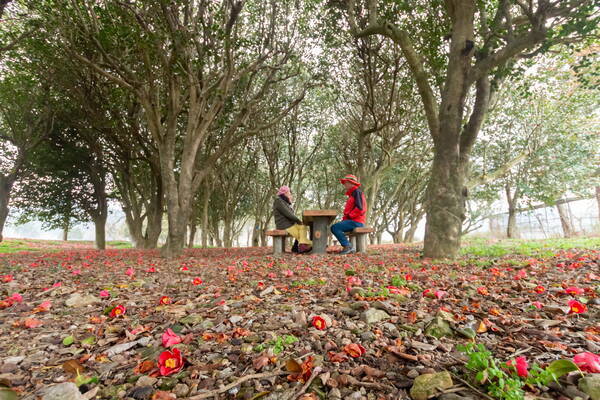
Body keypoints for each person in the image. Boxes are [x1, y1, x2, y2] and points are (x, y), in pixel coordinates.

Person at [331, 174, 367, 254]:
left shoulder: (357, 192)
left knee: (334, 227)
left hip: (357, 222)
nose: (344, 185)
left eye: (346, 183)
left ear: (351, 183)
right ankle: (348, 246)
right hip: (354, 221)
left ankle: (347, 246)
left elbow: (360, 208)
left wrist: (350, 216)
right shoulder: (353, 193)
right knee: (336, 227)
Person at [272, 186, 312, 253]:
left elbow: (291, 213)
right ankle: (309, 245)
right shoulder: (278, 201)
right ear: (285, 193)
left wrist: (290, 202)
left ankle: (298, 247)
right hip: (284, 225)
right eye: (289, 193)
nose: (290, 194)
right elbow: (288, 214)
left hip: (290, 225)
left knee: (303, 226)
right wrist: (298, 221)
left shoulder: (285, 203)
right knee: (301, 236)